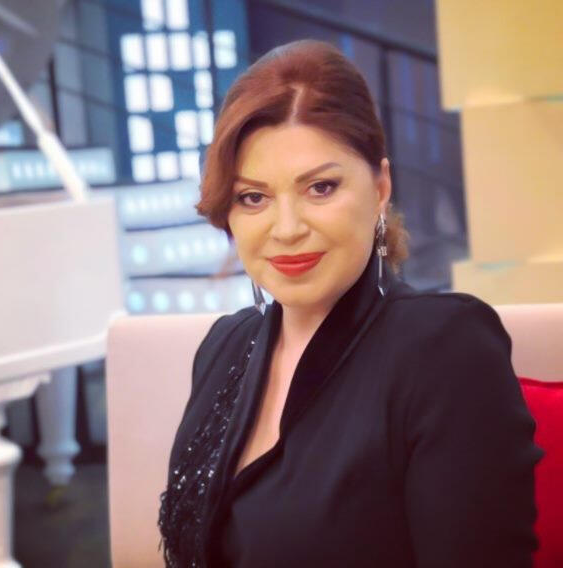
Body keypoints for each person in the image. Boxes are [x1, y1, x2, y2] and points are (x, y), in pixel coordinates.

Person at [158, 39, 542, 568]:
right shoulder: (224, 346)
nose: (287, 229)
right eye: (254, 197)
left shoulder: (446, 349)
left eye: (320, 188)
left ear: (380, 187)